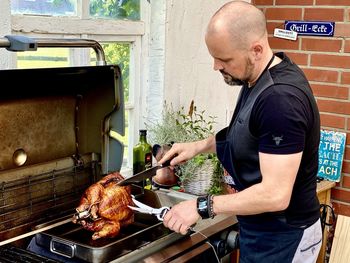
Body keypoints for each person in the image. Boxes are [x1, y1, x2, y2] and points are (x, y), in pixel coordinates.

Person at [159, 1, 322, 262]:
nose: (216, 67)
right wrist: (198, 146)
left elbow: (275, 195)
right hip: (261, 230)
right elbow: (246, 130)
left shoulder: (280, 100)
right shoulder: (258, 75)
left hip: (284, 236)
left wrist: (203, 206)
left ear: (256, 50)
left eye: (223, 59)